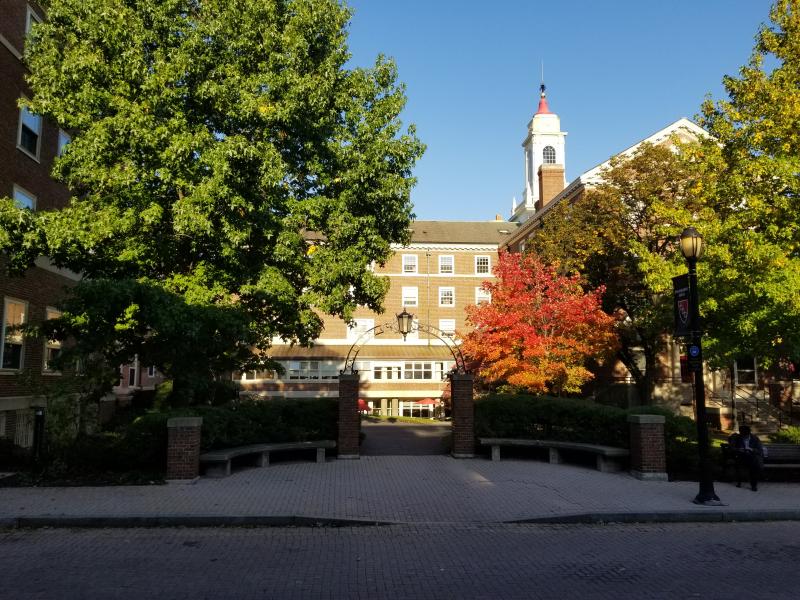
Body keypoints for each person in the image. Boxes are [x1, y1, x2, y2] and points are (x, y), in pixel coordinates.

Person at [728, 425, 767, 491]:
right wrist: (739, 449)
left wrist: (752, 449)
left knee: (753, 464)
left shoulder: (754, 438)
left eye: (746, 436)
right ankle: (754, 484)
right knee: (753, 463)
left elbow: (759, 450)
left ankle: (753, 485)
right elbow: (731, 448)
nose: (744, 437)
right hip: (741, 456)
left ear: (749, 433)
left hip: (752, 456)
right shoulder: (737, 438)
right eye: (743, 436)